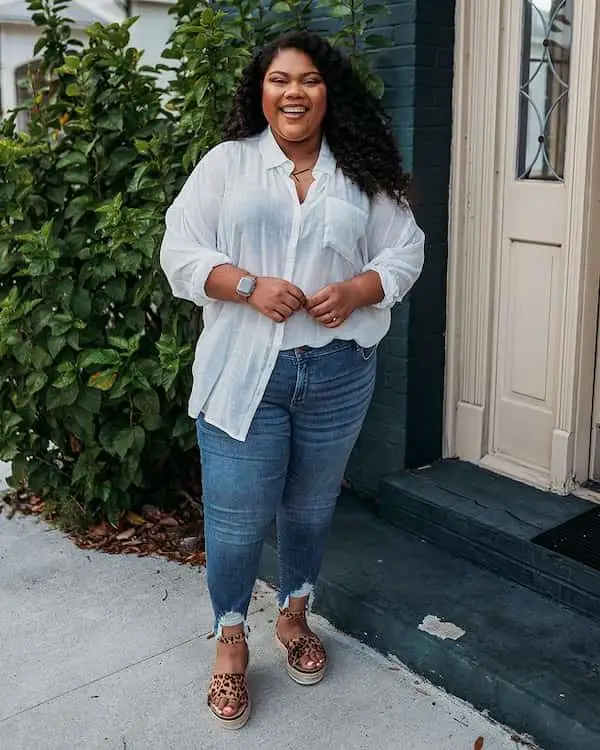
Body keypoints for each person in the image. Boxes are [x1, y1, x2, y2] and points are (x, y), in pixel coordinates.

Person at [160, 30, 425, 729]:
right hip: (245, 371)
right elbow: (180, 251)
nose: (294, 91)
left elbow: (406, 251)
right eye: (280, 80)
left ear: (327, 92)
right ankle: (229, 641)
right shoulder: (228, 165)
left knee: (308, 509)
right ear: (262, 92)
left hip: (338, 373)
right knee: (238, 520)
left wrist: (362, 289)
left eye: (308, 79)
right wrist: (247, 285)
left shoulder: (359, 174)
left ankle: (293, 616)